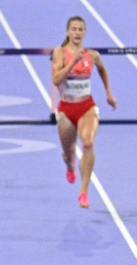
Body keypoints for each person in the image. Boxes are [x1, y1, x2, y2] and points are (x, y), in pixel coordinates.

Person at [52, 15, 116, 208]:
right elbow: (56, 80)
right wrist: (72, 64)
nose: (77, 32)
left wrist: (108, 93)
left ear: (85, 32)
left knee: (88, 143)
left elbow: (102, 70)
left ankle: (83, 191)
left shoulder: (92, 54)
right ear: (68, 32)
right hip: (66, 109)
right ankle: (70, 164)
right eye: (74, 29)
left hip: (86, 106)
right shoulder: (60, 53)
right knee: (68, 152)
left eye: (81, 29)